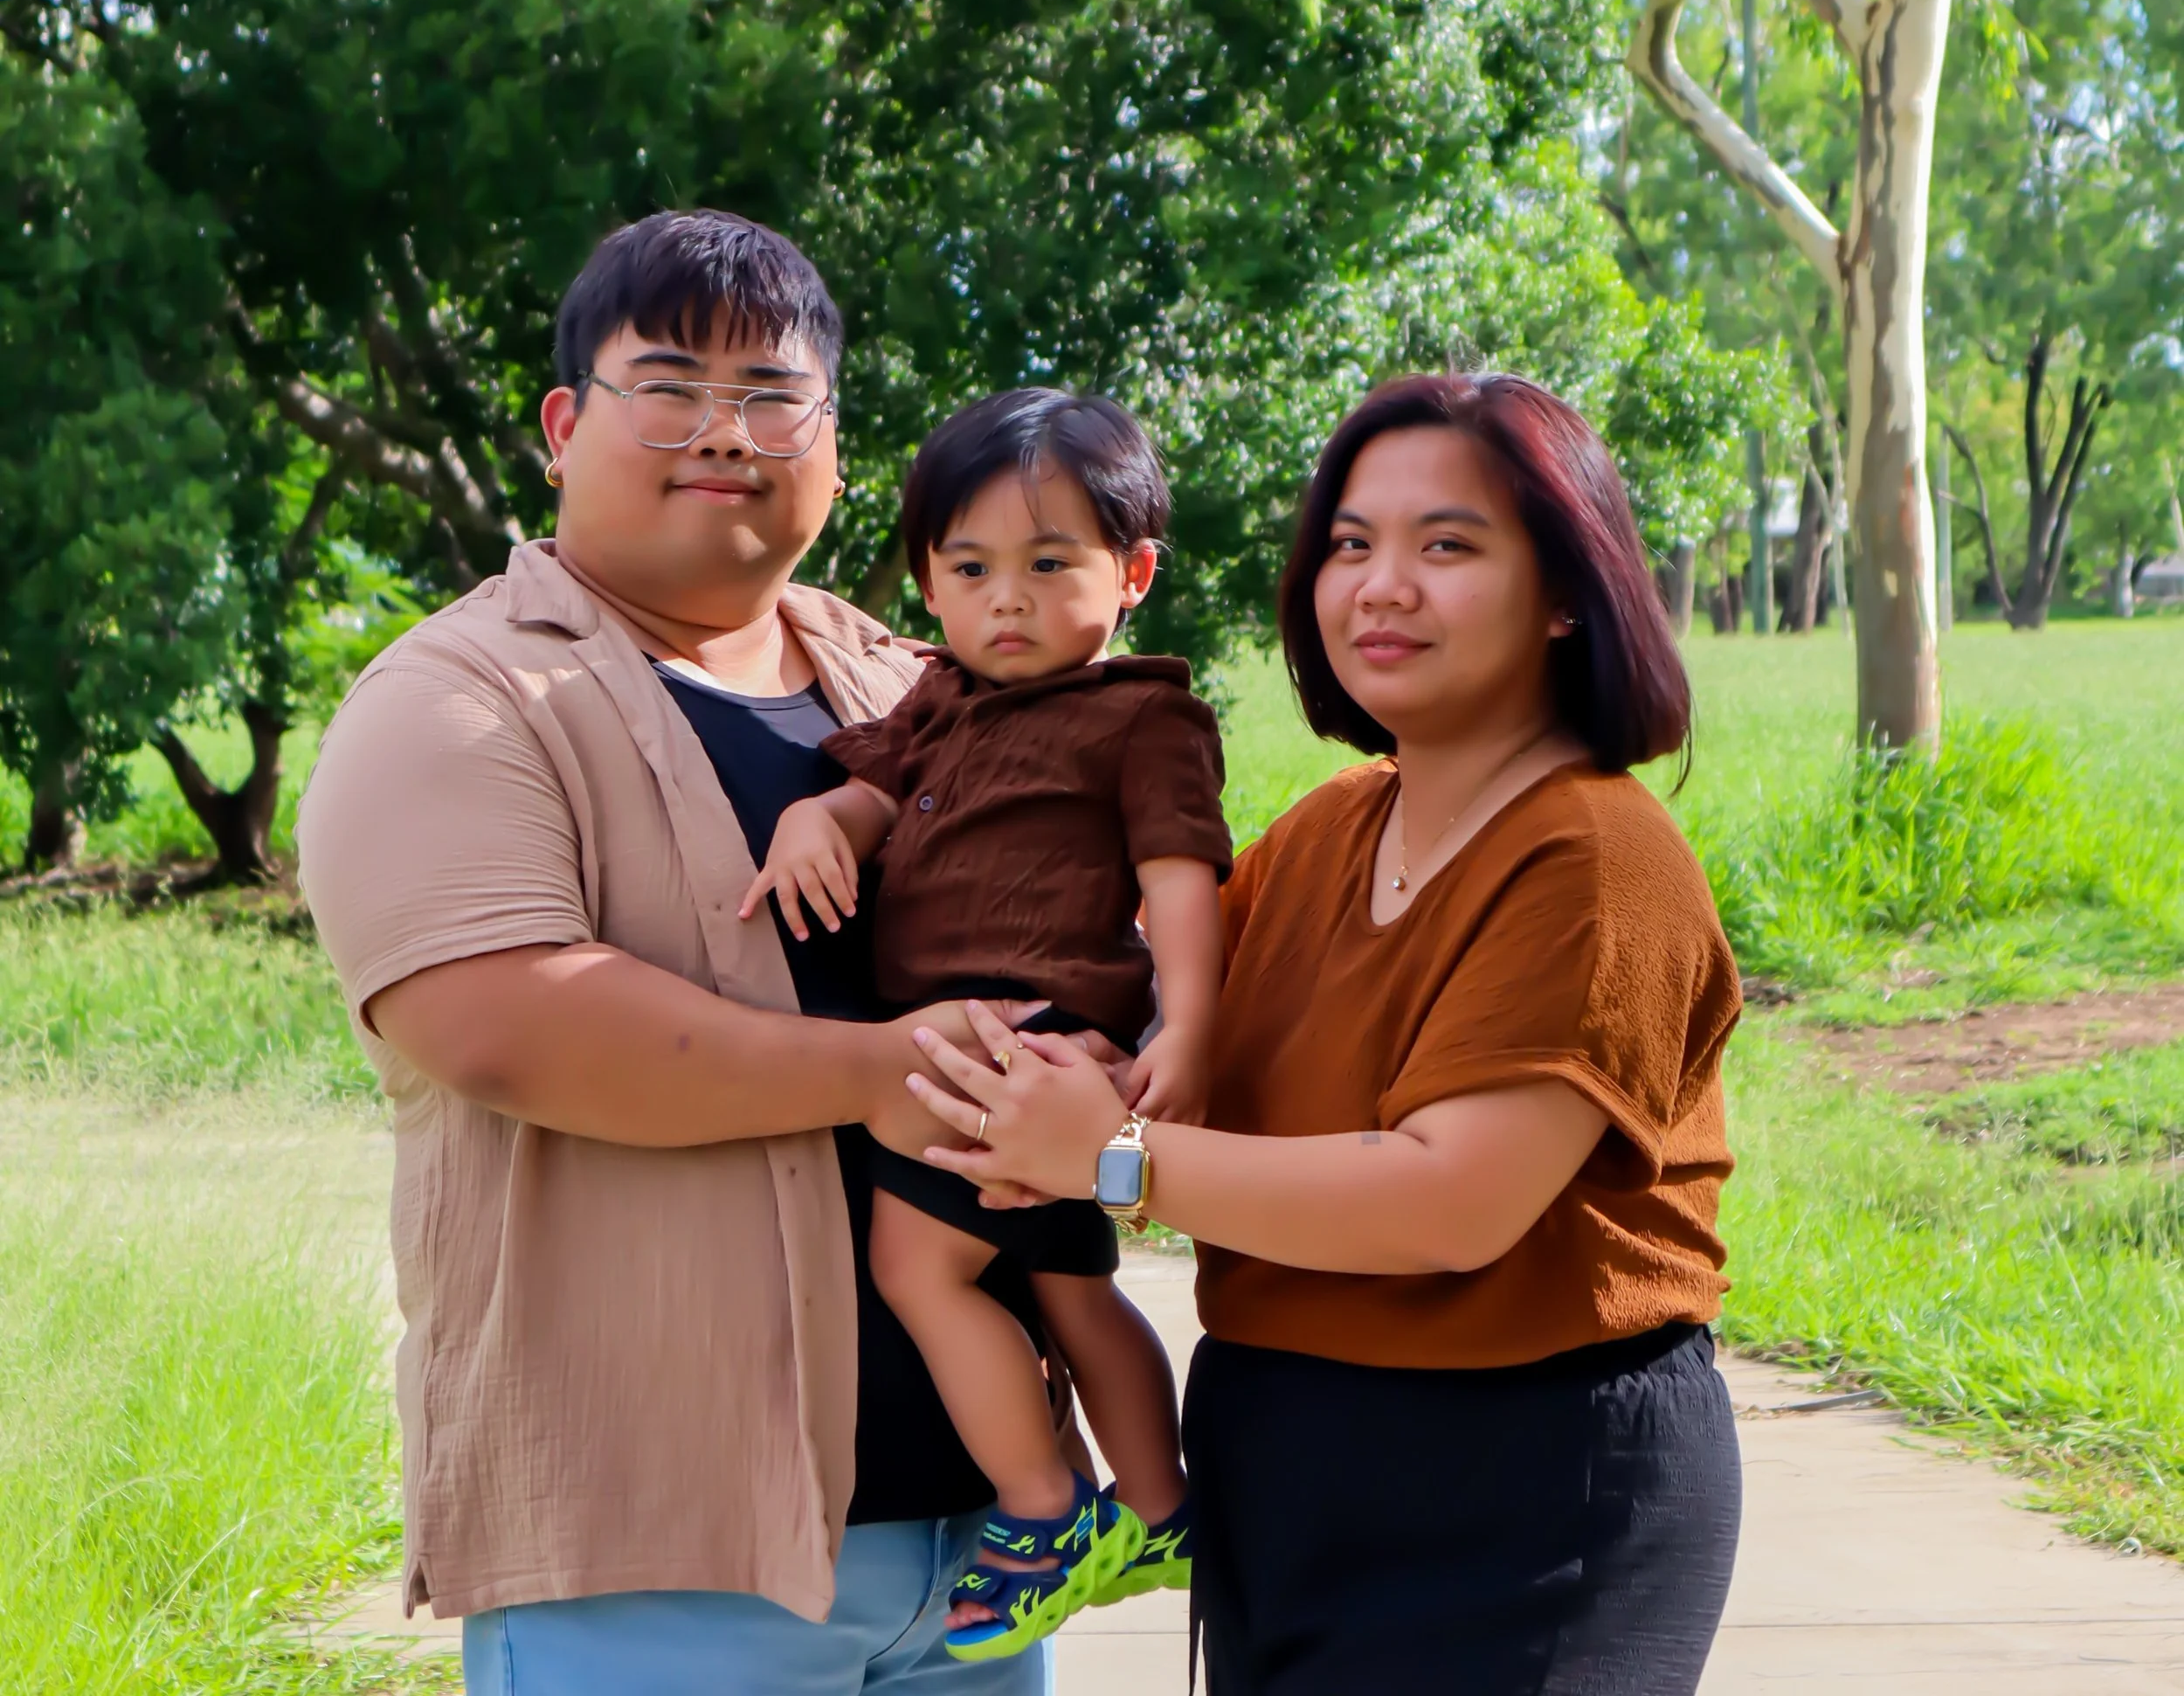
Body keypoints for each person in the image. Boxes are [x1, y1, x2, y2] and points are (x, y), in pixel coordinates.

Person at [296, 209, 1085, 1696]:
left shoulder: (918, 677)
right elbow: (502, 1021)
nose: (724, 433)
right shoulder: (462, 699)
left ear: (833, 444)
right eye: (668, 386)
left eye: (770, 398)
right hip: (661, 1568)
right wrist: (880, 1075)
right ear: (562, 426)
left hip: (980, 1555)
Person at [900, 372, 1745, 1693]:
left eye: (1446, 545)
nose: (1380, 587)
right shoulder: (1324, 835)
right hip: (1282, 1454)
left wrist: (1108, 1156)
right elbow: (1190, 1057)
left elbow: (1450, 1202)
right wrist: (1081, 1082)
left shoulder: (1598, 855)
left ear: (1568, 590)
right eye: (1352, 545)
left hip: (1526, 1484)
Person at [743, 389, 1229, 1660]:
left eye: (1048, 563)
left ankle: (1043, 1507)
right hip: (973, 1038)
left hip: (1018, 1041)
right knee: (1068, 1289)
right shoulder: (943, 696)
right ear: (929, 577)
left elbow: (1181, 877)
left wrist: (1190, 1020)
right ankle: (1166, 1505)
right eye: (971, 567)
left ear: (1132, 575)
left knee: (916, 1267)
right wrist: (816, 824)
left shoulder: (1145, 716)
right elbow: (870, 790)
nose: (1005, 598)